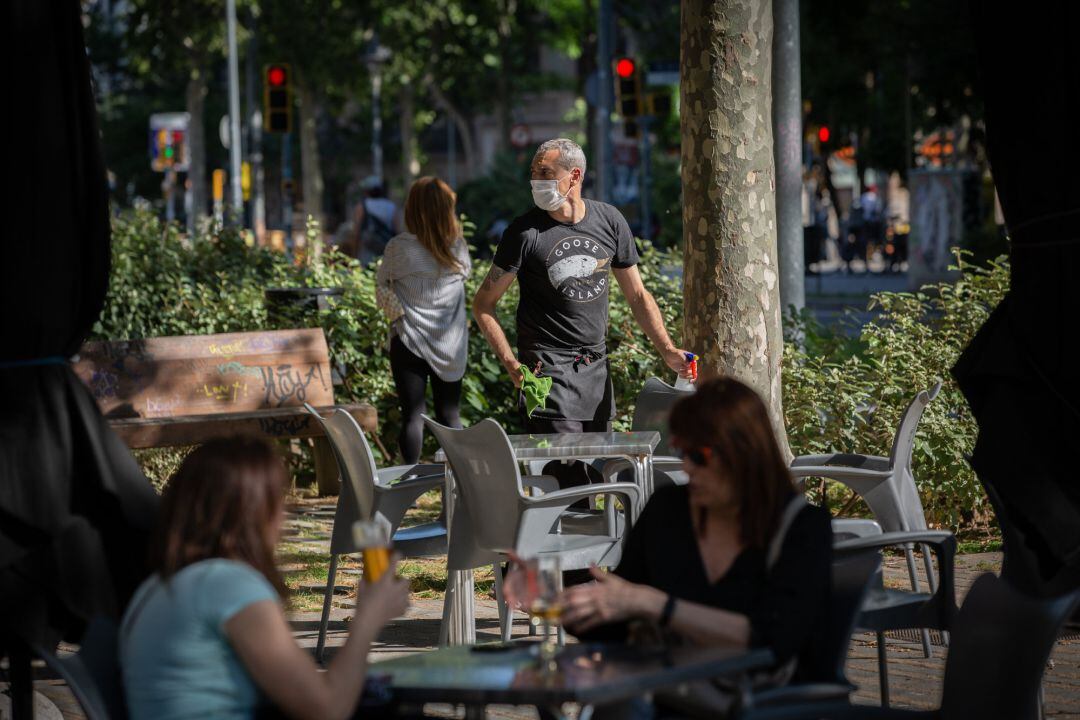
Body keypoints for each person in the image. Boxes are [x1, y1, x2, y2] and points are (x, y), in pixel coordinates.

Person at [555, 378, 833, 714]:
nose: (686, 467)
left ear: (743, 453)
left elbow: (777, 639)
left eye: (699, 456)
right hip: (672, 694)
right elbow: (621, 625)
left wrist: (659, 605)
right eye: (681, 452)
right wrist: (563, 603)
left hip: (763, 704)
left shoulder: (801, 527)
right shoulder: (668, 510)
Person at [120, 437, 410, 720]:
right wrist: (367, 619)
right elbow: (327, 708)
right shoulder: (227, 584)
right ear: (254, 512)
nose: (283, 518)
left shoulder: (157, 586)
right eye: (277, 502)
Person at [472, 138, 691, 493]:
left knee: (595, 480)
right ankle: (566, 543)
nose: (536, 181)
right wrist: (511, 362)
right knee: (570, 483)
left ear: (574, 176)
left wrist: (667, 350)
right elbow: (484, 304)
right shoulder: (523, 233)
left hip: (595, 370)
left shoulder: (610, 221)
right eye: (533, 172)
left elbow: (637, 295)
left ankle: (588, 545)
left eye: (545, 173)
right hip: (546, 371)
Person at [376, 176, 471, 464]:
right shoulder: (457, 247)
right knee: (449, 414)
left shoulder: (398, 247)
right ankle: (462, 483)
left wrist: (396, 314)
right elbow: (464, 280)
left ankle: (410, 483)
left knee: (412, 416)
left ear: (412, 208)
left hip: (408, 340)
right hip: (450, 343)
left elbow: (381, 285)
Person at [353, 177, 401, 265]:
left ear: (366, 191)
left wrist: (355, 253)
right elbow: (397, 231)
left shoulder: (362, 206)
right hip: (386, 250)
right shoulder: (391, 206)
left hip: (367, 251)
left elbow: (357, 231)